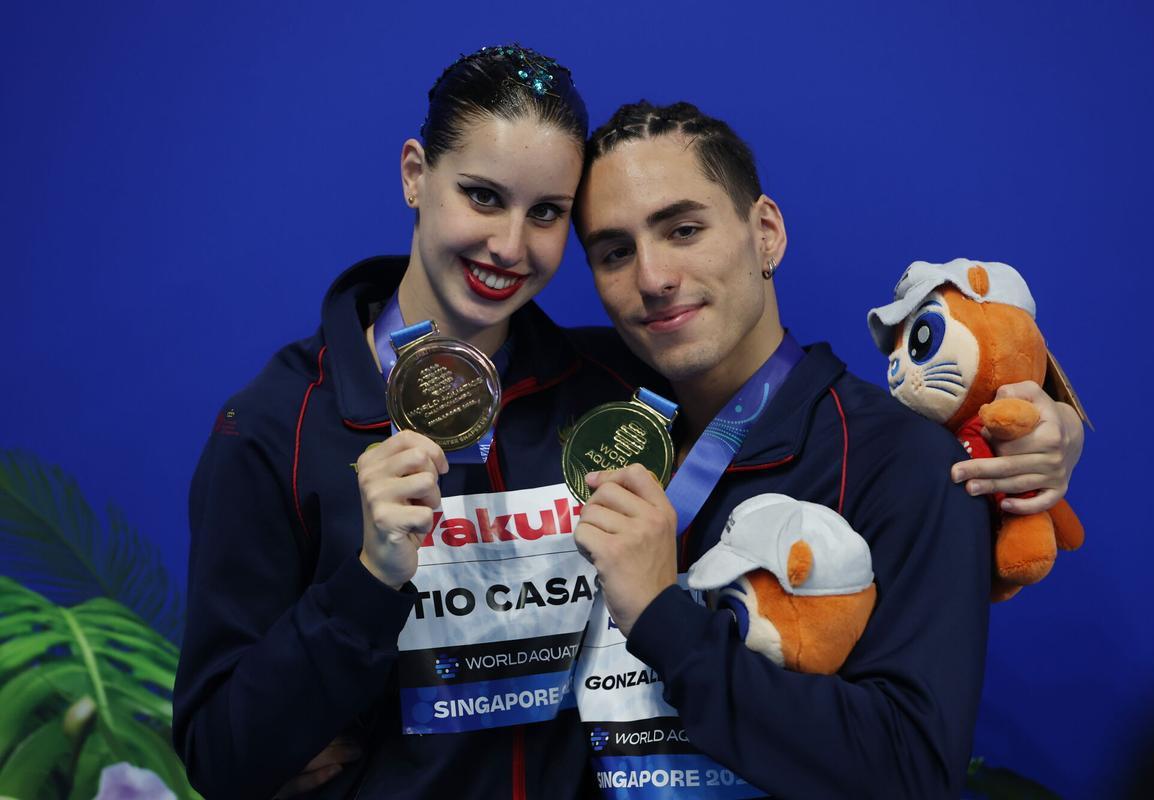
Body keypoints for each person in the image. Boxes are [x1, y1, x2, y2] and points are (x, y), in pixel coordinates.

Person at [173, 45, 657, 800]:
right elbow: (222, 759)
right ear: (413, 175)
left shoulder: (612, 398)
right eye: (483, 196)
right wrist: (369, 582)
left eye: (548, 214)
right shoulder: (276, 423)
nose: (509, 246)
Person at [569, 100, 1083, 798]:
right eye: (614, 252)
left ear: (766, 233)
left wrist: (664, 618)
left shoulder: (906, 464)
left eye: (684, 229)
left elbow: (911, 770)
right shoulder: (583, 427)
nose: (652, 277)